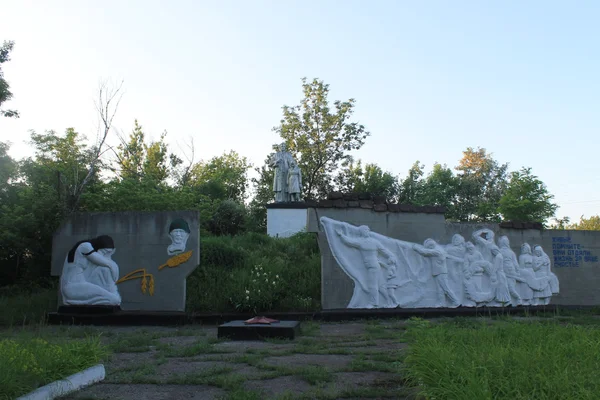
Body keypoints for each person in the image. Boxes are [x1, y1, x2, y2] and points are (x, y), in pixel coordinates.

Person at [336, 225, 396, 308]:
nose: (367, 231)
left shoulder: (374, 242)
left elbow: (384, 250)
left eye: (367, 230)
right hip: (372, 266)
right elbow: (349, 241)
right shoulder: (361, 242)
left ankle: (374, 303)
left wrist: (391, 256)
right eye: (364, 230)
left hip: (373, 266)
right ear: (361, 232)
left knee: (373, 285)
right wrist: (341, 235)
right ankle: (390, 301)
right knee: (380, 286)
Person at [60, 235, 121, 306]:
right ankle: (77, 303)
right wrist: (113, 266)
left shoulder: (86, 254)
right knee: (114, 300)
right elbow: (105, 262)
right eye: (105, 252)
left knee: (113, 298)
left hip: (79, 284)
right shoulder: (85, 246)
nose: (107, 256)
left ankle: (78, 302)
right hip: (73, 287)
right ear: (98, 247)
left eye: (110, 253)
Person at [412, 239, 461, 306]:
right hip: (438, 272)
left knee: (445, 288)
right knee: (440, 289)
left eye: (428, 247)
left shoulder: (437, 251)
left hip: (441, 272)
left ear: (431, 245)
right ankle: (441, 303)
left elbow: (424, 252)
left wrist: (415, 247)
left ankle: (456, 301)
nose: (428, 248)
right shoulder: (439, 248)